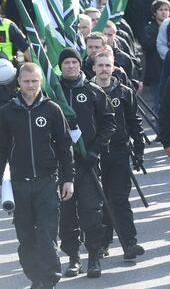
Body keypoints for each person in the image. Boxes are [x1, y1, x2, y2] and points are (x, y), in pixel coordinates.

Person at [0, 63, 74, 289]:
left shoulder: (52, 109)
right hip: (19, 184)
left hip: (47, 181)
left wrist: (68, 178)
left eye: (34, 81)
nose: (31, 85)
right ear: (19, 82)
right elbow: (1, 150)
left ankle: (49, 280)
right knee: (25, 239)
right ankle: (35, 277)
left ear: (40, 81)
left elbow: (64, 146)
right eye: (26, 81)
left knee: (46, 236)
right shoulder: (7, 112)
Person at [57, 47, 115, 279]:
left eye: (74, 62)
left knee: (91, 211)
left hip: (87, 162)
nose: (71, 66)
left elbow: (109, 123)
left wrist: (95, 151)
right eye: (66, 63)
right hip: (63, 165)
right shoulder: (53, 92)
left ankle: (93, 256)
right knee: (67, 213)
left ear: (80, 65)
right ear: (60, 66)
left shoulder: (94, 91)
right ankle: (73, 258)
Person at [91, 50, 146, 261]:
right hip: (94, 154)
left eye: (108, 65)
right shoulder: (87, 92)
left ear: (113, 67)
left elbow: (134, 122)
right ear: (94, 67)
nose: (104, 69)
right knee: (100, 199)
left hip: (119, 151)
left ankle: (129, 242)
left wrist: (139, 149)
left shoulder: (124, 92)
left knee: (120, 198)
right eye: (100, 65)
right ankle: (103, 242)